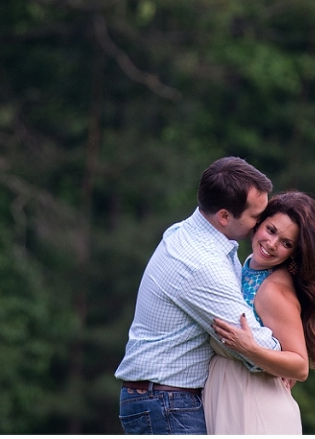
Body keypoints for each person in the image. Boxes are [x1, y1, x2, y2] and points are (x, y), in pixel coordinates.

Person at [115, 156, 282, 435]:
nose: (260, 225)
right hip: (167, 404)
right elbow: (251, 345)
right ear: (225, 216)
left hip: (160, 400)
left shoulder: (188, 233)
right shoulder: (201, 264)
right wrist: (287, 356)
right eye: (256, 216)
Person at [205, 191, 315, 435]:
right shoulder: (250, 264)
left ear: (294, 253)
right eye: (271, 231)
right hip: (234, 396)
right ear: (258, 223)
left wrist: (251, 350)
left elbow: (300, 366)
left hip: (255, 407)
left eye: (286, 243)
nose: (272, 245)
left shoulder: (274, 289)